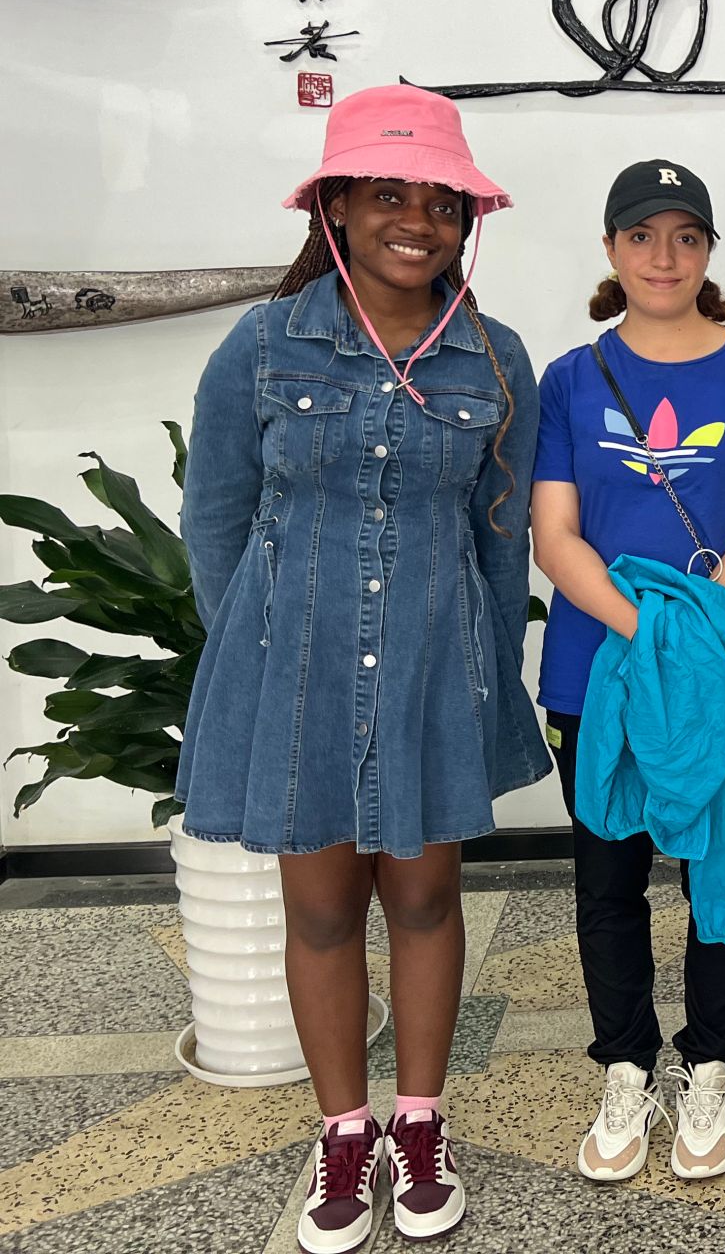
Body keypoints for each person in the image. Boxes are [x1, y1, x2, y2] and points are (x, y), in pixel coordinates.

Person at [179, 84, 547, 1254]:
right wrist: (262, 656)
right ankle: (344, 1134)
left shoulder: (495, 360)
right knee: (324, 910)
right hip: (295, 673)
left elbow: (501, 541)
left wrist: (485, 681)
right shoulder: (263, 345)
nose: (417, 222)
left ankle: (419, 1124)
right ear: (335, 207)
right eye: (390, 194)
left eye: (441, 203)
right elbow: (214, 521)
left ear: (464, 221)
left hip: (433, 669)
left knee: (428, 899)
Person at [530, 159, 725, 1184]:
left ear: (707, 253)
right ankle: (625, 1066)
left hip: (714, 676)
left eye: (685, 236)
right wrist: (648, 633)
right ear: (611, 250)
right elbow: (554, 535)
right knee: (608, 881)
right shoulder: (571, 378)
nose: (663, 256)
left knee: (718, 873)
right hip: (595, 672)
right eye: (642, 236)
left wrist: (685, 637)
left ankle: (710, 1064)